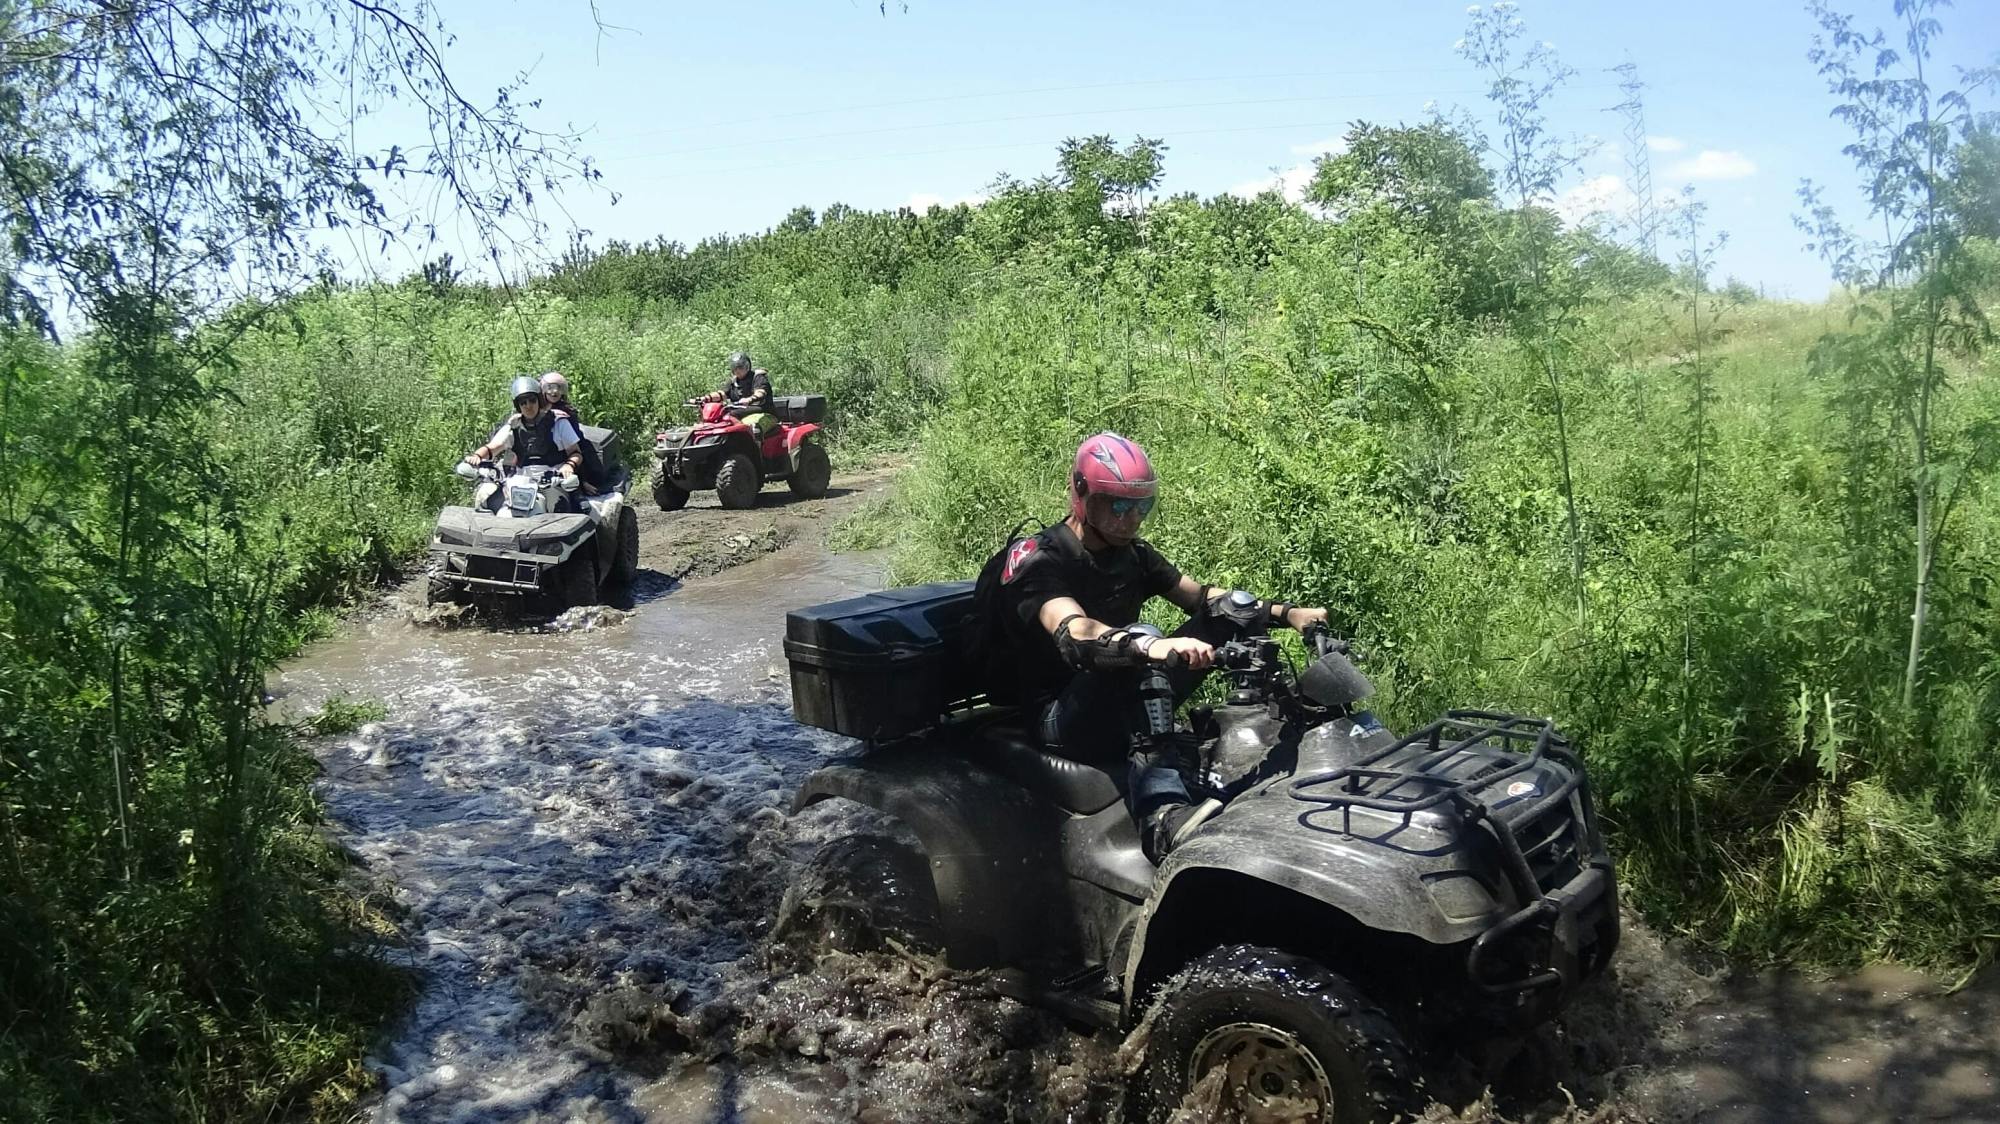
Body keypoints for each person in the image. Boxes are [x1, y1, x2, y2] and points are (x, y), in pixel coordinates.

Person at [978, 432, 1329, 862]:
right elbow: (1074, 632)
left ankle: (1296, 737)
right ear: (1082, 493)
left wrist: (1285, 612)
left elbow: (1200, 596)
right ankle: (1160, 815)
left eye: (1142, 506)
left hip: (1108, 693)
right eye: (1118, 505)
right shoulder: (1039, 560)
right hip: (1058, 717)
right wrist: (1148, 646)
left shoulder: (1133, 554)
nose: (1131, 519)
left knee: (1230, 610)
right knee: (1139, 644)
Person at [466, 375, 585, 510]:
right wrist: (476, 457)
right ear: (518, 406)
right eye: (523, 403)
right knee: (486, 499)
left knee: (558, 507)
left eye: (532, 400)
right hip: (520, 483)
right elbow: (492, 448)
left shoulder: (558, 422)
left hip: (553, 480)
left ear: (539, 400)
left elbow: (576, 453)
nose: (528, 406)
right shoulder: (514, 426)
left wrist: (569, 466)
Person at [538, 371, 608, 494]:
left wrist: (582, 480)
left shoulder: (568, 414)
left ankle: (584, 483)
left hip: (568, 455)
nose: (554, 392)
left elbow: (576, 446)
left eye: (559, 388)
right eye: (550, 387)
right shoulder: (534, 410)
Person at [702, 351, 777, 440]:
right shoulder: (734, 382)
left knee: (734, 415)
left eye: (740, 367)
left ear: (747, 366)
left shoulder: (758, 377)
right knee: (721, 414)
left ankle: (749, 443)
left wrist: (750, 399)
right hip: (741, 411)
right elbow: (722, 394)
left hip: (763, 410)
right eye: (735, 368)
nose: (738, 371)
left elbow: (761, 393)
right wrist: (705, 398)